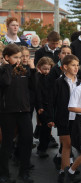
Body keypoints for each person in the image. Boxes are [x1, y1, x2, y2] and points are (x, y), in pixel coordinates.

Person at [0, 44, 35, 183]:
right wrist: (8, 66)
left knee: (27, 141)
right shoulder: (3, 70)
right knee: (7, 144)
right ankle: (4, 175)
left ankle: (24, 172)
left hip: (24, 111)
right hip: (7, 112)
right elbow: (6, 82)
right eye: (16, 57)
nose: (19, 60)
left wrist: (32, 69)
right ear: (7, 57)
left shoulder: (24, 70)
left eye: (20, 57)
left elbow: (34, 87)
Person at [48, 55, 81, 183]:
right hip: (63, 118)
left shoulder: (80, 82)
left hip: (77, 119)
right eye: (73, 65)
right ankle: (65, 172)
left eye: (77, 65)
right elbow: (51, 102)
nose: (76, 68)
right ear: (65, 67)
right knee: (66, 145)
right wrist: (51, 118)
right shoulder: (58, 82)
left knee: (74, 145)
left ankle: (67, 170)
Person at [35, 57, 55, 158]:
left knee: (47, 127)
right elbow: (38, 94)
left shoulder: (51, 78)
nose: (46, 71)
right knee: (46, 126)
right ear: (39, 68)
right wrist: (40, 106)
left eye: (48, 69)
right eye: (44, 69)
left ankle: (43, 147)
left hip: (50, 105)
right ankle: (41, 148)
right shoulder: (38, 77)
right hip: (42, 105)